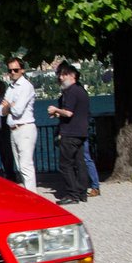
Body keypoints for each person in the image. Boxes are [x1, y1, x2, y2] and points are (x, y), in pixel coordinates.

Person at [48, 62, 90, 204]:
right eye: (59, 75)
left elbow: (69, 112)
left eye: (63, 75)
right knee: (80, 163)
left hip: (70, 132)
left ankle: (72, 195)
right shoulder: (81, 90)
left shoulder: (71, 91)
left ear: (72, 76)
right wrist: (59, 113)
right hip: (81, 132)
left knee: (65, 165)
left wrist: (55, 110)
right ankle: (82, 193)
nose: (60, 78)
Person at [0, 57, 37, 191]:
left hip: (25, 127)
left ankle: (34, 200)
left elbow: (18, 110)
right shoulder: (11, 88)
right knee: (20, 167)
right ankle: (30, 196)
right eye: (10, 70)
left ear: (22, 70)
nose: (13, 72)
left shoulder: (26, 86)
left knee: (26, 166)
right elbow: (0, 111)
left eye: (15, 70)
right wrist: (9, 106)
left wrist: (8, 106)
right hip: (13, 129)